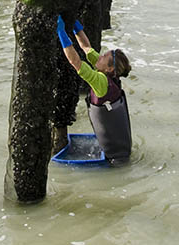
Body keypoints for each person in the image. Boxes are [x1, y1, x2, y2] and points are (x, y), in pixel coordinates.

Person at [56, 16, 132, 164]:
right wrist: (76, 28)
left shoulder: (101, 81)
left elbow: (76, 62)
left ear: (110, 68)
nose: (101, 55)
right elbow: (86, 48)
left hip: (114, 159)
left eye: (105, 56)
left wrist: (61, 33)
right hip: (120, 148)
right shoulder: (108, 73)